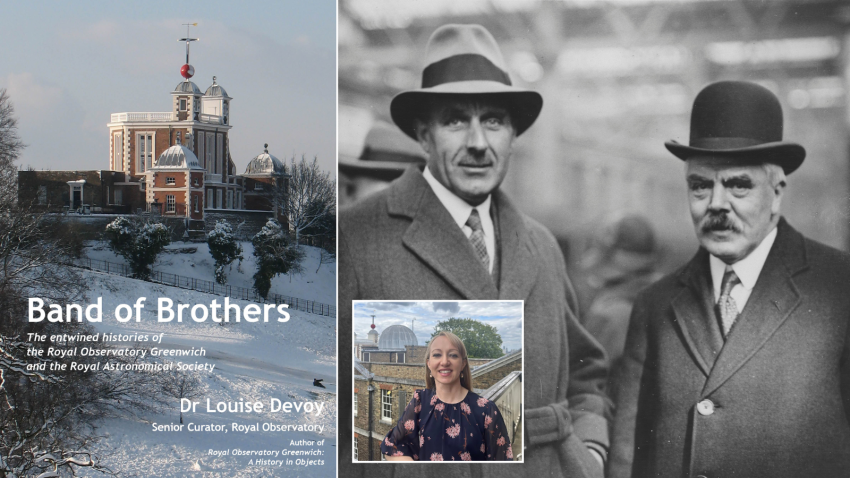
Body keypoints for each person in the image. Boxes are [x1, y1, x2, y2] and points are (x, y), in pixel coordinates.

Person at [340, 24, 610, 478]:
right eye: (454, 120)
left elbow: (586, 375)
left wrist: (589, 453)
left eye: (493, 121)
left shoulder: (541, 247)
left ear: (512, 136)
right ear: (424, 136)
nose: (478, 143)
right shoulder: (357, 236)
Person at [608, 80, 850, 478]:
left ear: (777, 193)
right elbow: (626, 458)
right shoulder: (654, 304)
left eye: (738, 185)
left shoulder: (839, 289)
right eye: (700, 186)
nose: (717, 204)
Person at [381, 331, 513, 461]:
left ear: (463, 363)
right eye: (437, 355)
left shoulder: (486, 411)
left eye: (453, 355)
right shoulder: (420, 402)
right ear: (429, 363)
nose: (444, 362)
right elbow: (392, 446)